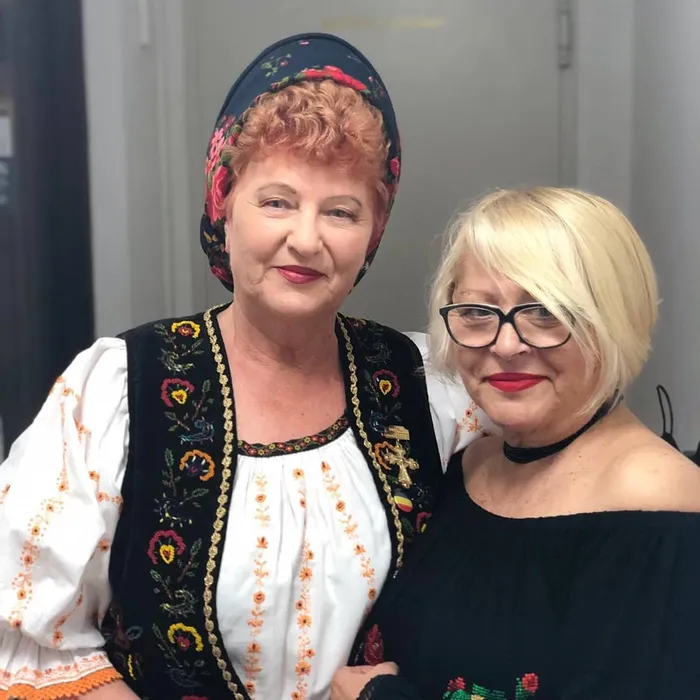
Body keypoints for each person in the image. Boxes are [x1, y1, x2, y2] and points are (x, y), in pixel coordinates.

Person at [0, 33, 491, 700]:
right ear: (223, 205)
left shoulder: (427, 388)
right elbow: (37, 641)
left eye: (340, 212)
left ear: (371, 232)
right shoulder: (121, 390)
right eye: (277, 201)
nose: (306, 239)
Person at [333, 187, 700, 699]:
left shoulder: (662, 513)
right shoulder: (471, 465)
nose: (506, 345)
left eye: (546, 312)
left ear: (613, 319)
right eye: (477, 312)